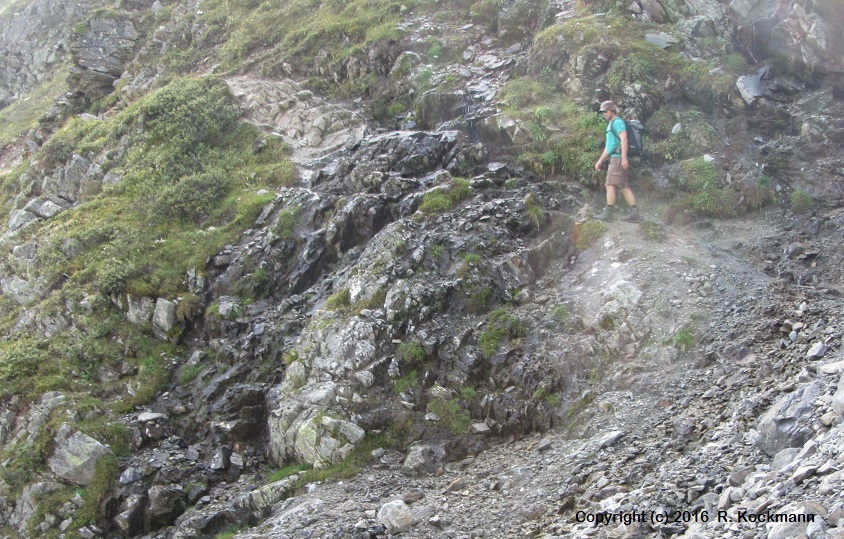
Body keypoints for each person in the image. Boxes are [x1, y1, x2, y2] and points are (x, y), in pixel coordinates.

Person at [593, 100, 641, 222]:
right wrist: (600, 161)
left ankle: (608, 214)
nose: (604, 114)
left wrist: (624, 159)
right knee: (622, 185)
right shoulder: (611, 124)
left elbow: (624, 140)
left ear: (612, 110)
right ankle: (635, 213)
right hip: (615, 157)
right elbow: (609, 147)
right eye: (602, 112)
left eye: (605, 111)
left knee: (610, 184)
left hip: (618, 158)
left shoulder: (617, 122)